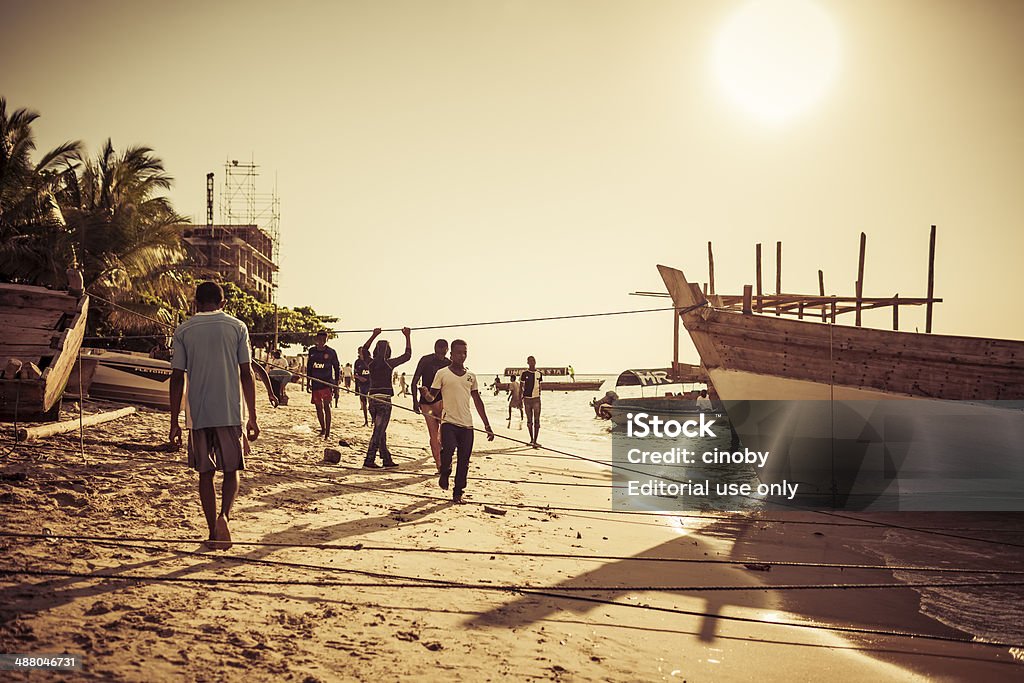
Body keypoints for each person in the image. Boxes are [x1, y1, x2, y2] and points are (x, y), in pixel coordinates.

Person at [169, 281, 259, 551]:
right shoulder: (237, 327)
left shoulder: (183, 330)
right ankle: (224, 517)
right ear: (223, 303)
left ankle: (211, 531)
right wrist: (252, 416)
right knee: (232, 471)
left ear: (195, 303)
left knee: (205, 474)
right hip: (230, 413)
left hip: (198, 414)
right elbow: (247, 372)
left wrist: (174, 421)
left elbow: (177, 378)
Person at [421, 339, 494, 504]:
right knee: (447, 451)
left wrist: (487, 425)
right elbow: (433, 397)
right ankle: (445, 472)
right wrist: (426, 395)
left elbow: (477, 401)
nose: (462, 356)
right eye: (459, 352)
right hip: (449, 423)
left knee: (464, 461)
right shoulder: (442, 373)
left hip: (467, 425)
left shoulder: (471, 377)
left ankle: (458, 493)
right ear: (451, 354)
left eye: (465, 353)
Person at [363, 327, 412, 468]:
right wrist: (408, 336)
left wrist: (373, 335)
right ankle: (369, 459)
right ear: (388, 352)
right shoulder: (389, 364)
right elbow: (407, 355)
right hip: (384, 401)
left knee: (381, 430)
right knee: (379, 431)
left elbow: (364, 350)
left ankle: (386, 458)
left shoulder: (371, 363)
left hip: (372, 399)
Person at [411, 339, 451, 472]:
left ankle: (444, 461)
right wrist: (415, 401)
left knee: (445, 434)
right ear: (435, 349)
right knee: (433, 435)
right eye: (439, 352)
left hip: (442, 401)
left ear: (447, 350)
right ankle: (439, 465)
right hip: (426, 403)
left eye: (443, 352)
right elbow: (415, 380)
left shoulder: (448, 363)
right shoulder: (425, 360)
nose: (441, 355)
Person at [306, 331, 340, 440]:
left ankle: (328, 432)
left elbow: (336, 367)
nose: (321, 342)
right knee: (318, 407)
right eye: (319, 340)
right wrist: (308, 382)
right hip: (315, 383)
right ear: (316, 339)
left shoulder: (331, 352)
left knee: (326, 406)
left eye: (323, 340)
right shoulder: (312, 351)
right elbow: (309, 367)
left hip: (327, 383)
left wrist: (336, 384)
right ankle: (323, 428)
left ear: (326, 340)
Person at [519, 356, 543, 448]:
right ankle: (531, 439)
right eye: (530, 361)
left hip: (536, 399)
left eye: (533, 361)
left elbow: (540, 385)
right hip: (527, 399)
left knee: (537, 420)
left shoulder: (539, 373)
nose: (532, 362)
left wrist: (539, 393)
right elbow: (521, 386)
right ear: (527, 362)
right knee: (529, 420)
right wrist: (520, 398)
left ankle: (536, 441)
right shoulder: (524, 373)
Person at [353, 346, 371, 427]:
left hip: (371, 384)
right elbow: (355, 374)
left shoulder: (370, 360)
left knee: (372, 403)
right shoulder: (357, 362)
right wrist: (360, 378)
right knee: (364, 403)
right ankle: (366, 420)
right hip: (362, 384)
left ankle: (373, 420)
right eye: (360, 351)